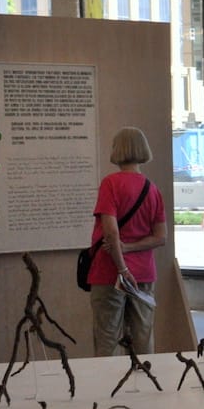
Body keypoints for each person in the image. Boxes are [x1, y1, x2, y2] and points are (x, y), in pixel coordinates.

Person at [87, 127, 167, 356]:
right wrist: (130, 248)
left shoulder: (110, 184)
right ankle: (145, 377)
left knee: (107, 338)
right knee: (143, 337)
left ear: (117, 149)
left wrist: (122, 267)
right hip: (143, 273)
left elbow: (111, 232)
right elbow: (161, 237)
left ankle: (108, 379)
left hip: (110, 272)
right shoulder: (152, 189)